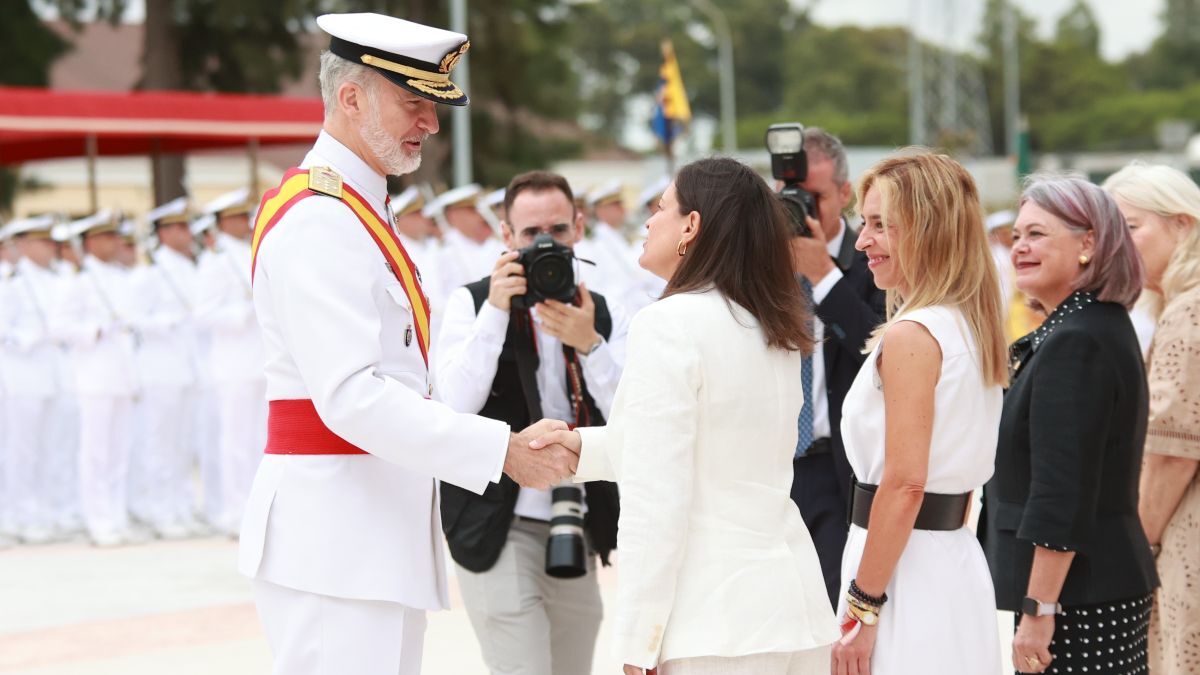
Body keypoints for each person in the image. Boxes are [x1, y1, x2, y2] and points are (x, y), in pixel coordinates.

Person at [236, 14, 577, 675]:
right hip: (334, 540)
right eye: (413, 104)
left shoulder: (360, 211)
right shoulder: (320, 219)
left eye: (433, 106)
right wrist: (498, 450)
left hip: (365, 533)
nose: (430, 123)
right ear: (351, 97)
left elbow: (410, 379)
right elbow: (351, 396)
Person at [533, 157, 838, 674]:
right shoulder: (775, 328)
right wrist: (577, 448)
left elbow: (657, 496)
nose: (649, 221)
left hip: (712, 624)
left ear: (691, 226)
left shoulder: (668, 323)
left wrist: (639, 641)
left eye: (660, 208)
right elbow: (706, 450)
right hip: (793, 610)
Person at [436, 170, 627, 675]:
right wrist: (497, 310)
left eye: (558, 231)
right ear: (505, 236)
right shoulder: (472, 302)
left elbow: (632, 411)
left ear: (579, 228)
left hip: (575, 518)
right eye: (529, 234)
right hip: (495, 519)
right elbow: (454, 403)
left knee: (573, 665)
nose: (545, 244)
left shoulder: (599, 310)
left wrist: (590, 343)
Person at [829, 151, 1007, 675]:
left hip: (900, 574)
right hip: (946, 561)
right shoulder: (969, 327)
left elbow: (905, 484)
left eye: (882, 225)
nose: (863, 241)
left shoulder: (915, 334)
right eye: (865, 223)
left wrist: (863, 606)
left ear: (928, 230)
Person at [980, 173, 1157, 675]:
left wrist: (1040, 610)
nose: (1020, 248)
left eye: (1037, 234)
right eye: (1017, 236)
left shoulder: (1076, 340)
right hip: (1087, 588)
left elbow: (1062, 491)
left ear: (1089, 243)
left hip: (1077, 598)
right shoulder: (1091, 324)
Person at [1104, 162, 1200, 675]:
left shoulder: (1189, 311)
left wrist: (1134, 555)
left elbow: (1170, 453)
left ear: (1182, 223)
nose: (1118, 247)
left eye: (1131, 228)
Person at [785, 127, 886, 608]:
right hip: (775, 464)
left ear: (844, 194)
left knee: (831, 614)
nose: (802, 210)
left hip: (838, 467)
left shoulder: (874, 261)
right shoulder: (763, 267)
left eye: (815, 198)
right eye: (791, 197)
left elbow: (879, 349)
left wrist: (823, 275)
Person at [52, 211, 142, 547]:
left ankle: (117, 516)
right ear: (90, 242)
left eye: (115, 236)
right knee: (96, 452)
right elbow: (58, 327)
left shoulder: (121, 277)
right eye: (107, 237)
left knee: (120, 451)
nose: (116, 243)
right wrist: (96, 330)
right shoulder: (78, 280)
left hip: (123, 374)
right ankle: (98, 519)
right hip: (94, 375)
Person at [129, 197, 203, 539]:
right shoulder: (151, 272)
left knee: (183, 442)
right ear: (163, 232)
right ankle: (160, 510)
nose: (187, 232)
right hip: (159, 368)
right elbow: (134, 319)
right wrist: (167, 322)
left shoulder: (191, 266)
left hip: (187, 366)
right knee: (159, 443)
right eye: (179, 226)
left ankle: (181, 506)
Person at [195, 188, 267, 537]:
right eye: (238, 217)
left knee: (260, 438)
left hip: (259, 358)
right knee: (236, 439)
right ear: (222, 223)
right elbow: (204, 314)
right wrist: (243, 312)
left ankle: (257, 507)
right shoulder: (216, 260)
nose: (245, 222)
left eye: (245, 215)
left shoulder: (252, 250)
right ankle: (234, 510)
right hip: (233, 361)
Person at [0, 216, 69, 544]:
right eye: (42, 242)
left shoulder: (57, 279)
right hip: (21, 376)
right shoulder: (11, 280)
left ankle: (43, 512)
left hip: (52, 375)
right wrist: (30, 338)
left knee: (49, 448)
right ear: (23, 244)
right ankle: (15, 516)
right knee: (19, 450)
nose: (49, 248)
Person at [431, 183, 506, 309]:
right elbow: (438, 299)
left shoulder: (483, 245)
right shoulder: (443, 251)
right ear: (453, 215)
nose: (479, 215)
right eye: (471, 211)